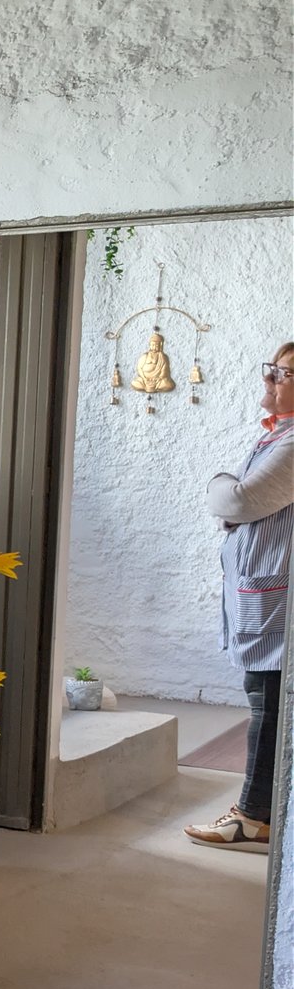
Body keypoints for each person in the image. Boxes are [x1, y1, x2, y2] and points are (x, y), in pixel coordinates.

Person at [187, 341, 294, 849]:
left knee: (267, 703)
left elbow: (239, 499)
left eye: (284, 373)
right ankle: (262, 813)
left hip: (276, 599)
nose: (270, 379)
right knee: (266, 699)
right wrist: (234, 504)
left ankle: (253, 816)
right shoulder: (277, 436)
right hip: (264, 591)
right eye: (271, 369)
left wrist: (223, 486)